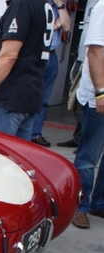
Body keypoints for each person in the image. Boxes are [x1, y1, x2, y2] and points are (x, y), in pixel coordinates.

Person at [0, 0, 55, 140]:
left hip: (9, 98)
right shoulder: (43, 4)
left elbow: (9, 56)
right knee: (17, 159)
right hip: (30, 94)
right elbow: (29, 48)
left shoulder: (21, 4)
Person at [71, 0, 104, 229]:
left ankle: (99, 204)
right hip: (98, 97)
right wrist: (100, 92)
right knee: (89, 157)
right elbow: (94, 53)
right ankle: (79, 207)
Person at [57, 0, 100, 148]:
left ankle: (83, 138)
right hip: (84, 60)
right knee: (77, 101)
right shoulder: (95, 4)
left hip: (92, 62)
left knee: (86, 104)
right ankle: (80, 136)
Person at [30, 0, 71, 147]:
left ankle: (36, 133)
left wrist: (60, 5)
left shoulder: (57, 8)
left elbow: (66, 26)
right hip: (33, 55)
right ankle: (25, 132)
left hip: (51, 55)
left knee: (44, 98)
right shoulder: (35, 4)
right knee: (28, 95)